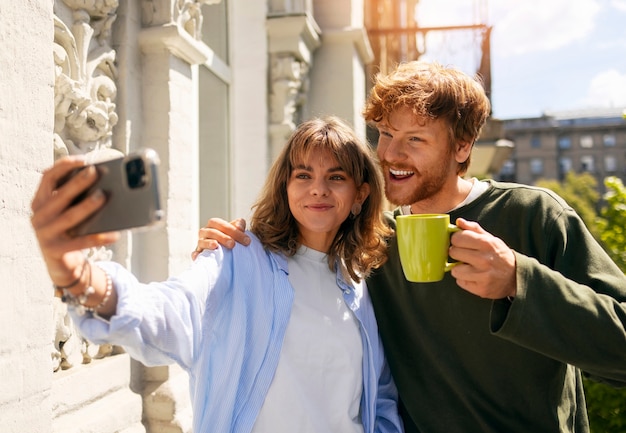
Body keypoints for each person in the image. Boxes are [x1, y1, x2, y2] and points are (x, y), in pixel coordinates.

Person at [195, 61, 626, 433]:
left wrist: (521, 281)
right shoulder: (370, 237)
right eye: (385, 133)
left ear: (462, 147)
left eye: (415, 139)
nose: (392, 155)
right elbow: (297, 261)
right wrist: (233, 247)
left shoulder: (532, 215)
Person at [31, 117, 404, 433]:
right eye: (303, 174)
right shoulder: (238, 258)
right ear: (286, 187)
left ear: (360, 195)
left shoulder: (359, 283)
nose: (317, 188)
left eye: (335, 177)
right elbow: (170, 310)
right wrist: (78, 275)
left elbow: (379, 396)